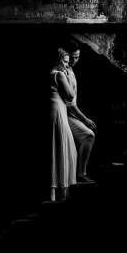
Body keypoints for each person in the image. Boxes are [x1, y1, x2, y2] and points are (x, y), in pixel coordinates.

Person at [63, 40, 97, 184]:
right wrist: (85, 120)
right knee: (89, 135)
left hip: (70, 113)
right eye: (72, 57)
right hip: (65, 114)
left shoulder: (70, 69)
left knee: (89, 136)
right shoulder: (63, 71)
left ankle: (81, 174)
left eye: (77, 57)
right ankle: (81, 174)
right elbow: (70, 105)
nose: (74, 61)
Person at [48, 48, 77, 201]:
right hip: (58, 110)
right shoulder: (59, 75)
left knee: (58, 147)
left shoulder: (50, 73)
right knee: (63, 147)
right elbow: (71, 96)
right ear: (58, 60)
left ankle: (55, 192)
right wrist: (70, 79)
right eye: (65, 62)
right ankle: (61, 191)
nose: (67, 65)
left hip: (56, 108)